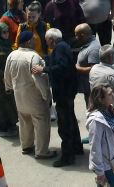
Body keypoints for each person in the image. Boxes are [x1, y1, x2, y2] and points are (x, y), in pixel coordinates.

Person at [5, 28, 56, 159]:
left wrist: (10, 87)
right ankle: (42, 151)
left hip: (19, 96)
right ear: (28, 42)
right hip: (34, 97)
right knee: (41, 124)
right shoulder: (34, 57)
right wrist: (47, 96)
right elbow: (38, 78)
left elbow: (7, 76)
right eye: (33, 40)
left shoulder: (12, 55)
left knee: (24, 122)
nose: (35, 41)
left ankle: (27, 146)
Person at [44, 27, 83, 167]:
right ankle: (77, 147)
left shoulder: (60, 48)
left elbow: (62, 68)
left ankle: (67, 156)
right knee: (70, 120)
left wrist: (45, 69)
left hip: (63, 92)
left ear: (51, 40)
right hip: (68, 91)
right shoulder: (63, 46)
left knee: (64, 125)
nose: (46, 43)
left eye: (47, 40)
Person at [87, 83, 114, 187]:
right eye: (110, 94)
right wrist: (100, 172)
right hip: (107, 166)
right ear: (101, 99)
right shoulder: (96, 121)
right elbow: (95, 147)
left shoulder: (112, 110)